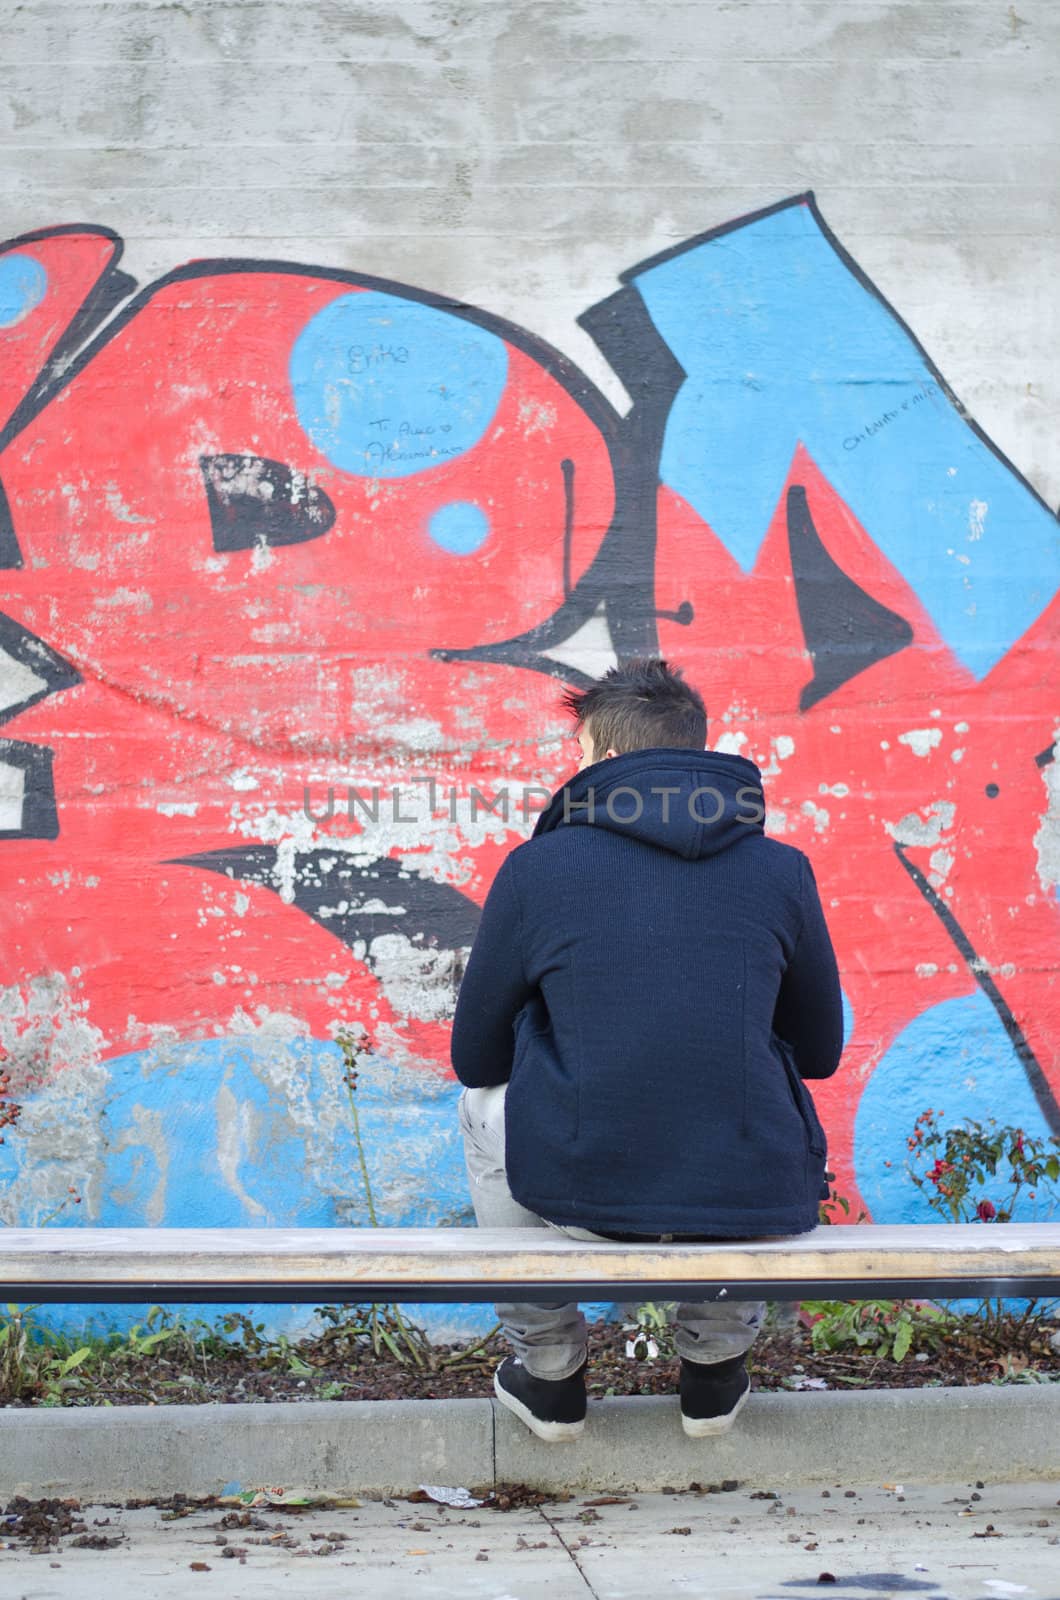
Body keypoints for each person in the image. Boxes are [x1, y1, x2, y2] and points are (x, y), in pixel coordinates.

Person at [450, 658, 843, 1442]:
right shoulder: (782, 870)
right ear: (695, 749)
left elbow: (476, 1061)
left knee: (480, 1106)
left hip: (579, 1197)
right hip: (740, 1196)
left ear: (599, 758)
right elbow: (820, 1051)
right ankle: (715, 1368)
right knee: (742, 1090)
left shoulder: (537, 870)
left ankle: (551, 1367)